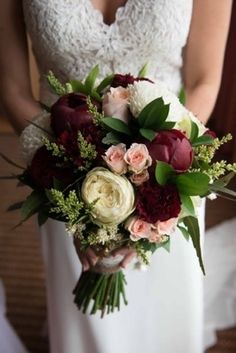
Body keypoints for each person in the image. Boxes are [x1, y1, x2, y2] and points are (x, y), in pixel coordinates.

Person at [0, 1, 232, 352]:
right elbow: (13, 90)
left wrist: (148, 186)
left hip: (168, 173)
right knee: (87, 325)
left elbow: (204, 81)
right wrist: (72, 187)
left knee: (165, 310)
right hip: (61, 174)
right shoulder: (63, 177)